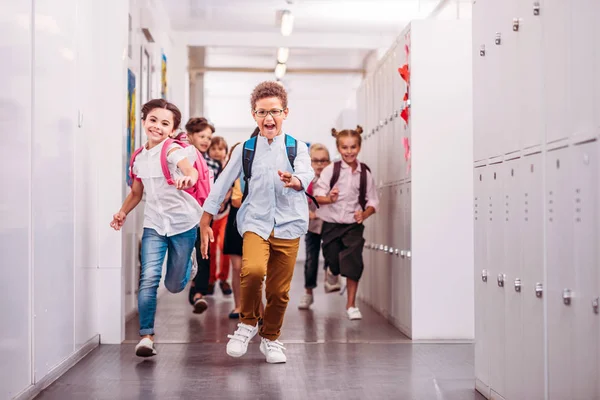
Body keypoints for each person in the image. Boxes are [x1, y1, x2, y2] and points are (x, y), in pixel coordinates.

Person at [200, 81, 314, 363]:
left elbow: (306, 174)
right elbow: (221, 183)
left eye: (274, 112)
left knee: (279, 291)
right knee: (251, 271)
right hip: (255, 222)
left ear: (285, 113)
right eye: (262, 113)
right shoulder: (245, 149)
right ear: (254, 115)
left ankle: (271, 338)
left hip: (288, 224)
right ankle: (248, 323)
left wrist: (295, 180)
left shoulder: (297, 147)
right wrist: (205, 220)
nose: (269, 118)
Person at [110, 99, 202, 357]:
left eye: (165, 123)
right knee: (148, 278)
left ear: (172, 130)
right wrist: (122, 212)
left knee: (173, 285)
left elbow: (190, 171)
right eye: (153, 120)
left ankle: (187, 264)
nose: (157, 127)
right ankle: (146, 336)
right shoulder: (139, 157)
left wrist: (187, 177)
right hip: (154, 224)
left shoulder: (172, 150)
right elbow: (137, 192)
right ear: (143, 122)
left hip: (183, 223)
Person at [313, 126, 379, 320]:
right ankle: (332, 272)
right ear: (338, 148)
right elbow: (317, 195)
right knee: (333, 260)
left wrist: (364, 214)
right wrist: (329, 198)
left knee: (353, 261)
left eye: (353, 147)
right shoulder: (330, 171)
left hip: (353, 224)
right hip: (331, 224)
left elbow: (373, 201)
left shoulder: (364, 173)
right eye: (345, 147)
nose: (349, 151)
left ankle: (351, 305)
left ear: (359, 147)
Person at [184, 117, 219, 312]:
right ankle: (192, 286)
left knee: (204, 251)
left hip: (204, 215)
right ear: (190, 136)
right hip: (184, 215)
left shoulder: (213, 164)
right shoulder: (181, 158)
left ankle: (199, 293)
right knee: (186, 254)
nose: (206, 140)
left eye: (209, 137)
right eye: (202, 136)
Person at [297, 143, 337, 310]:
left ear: (329, 162)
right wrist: (308, 213)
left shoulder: (333, 179)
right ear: (309, 162)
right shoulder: (306, 181)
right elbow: (299, 200)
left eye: (323, 160)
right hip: (313, 224)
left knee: (332, 252)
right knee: (311, 259)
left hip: (329, 223)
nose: (320, 164)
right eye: (316, 161)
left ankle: (331, 276)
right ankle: (308, 292)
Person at [207, 136, 233, 295]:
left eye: (220, 149)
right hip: (210, 214)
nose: (217, 152)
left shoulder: (228, 167)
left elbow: (231, 186)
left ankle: (223, 279)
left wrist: (225, 199)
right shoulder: (206, 168)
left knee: (224, 247)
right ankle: (210, 280)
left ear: (226, 152)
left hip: (225, 213)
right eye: (214, 149)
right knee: (210, 248)